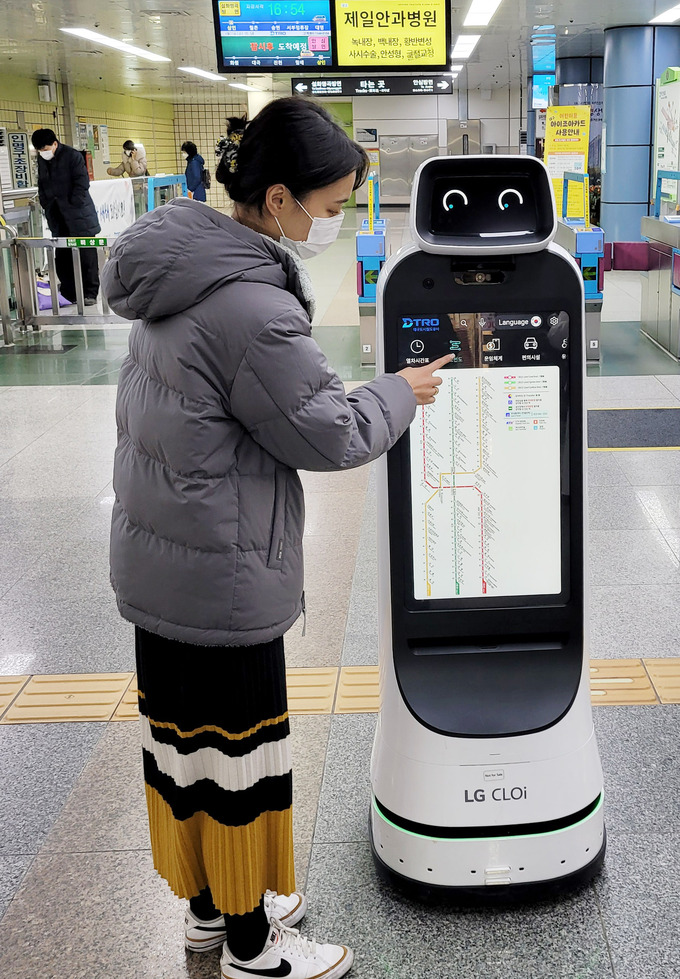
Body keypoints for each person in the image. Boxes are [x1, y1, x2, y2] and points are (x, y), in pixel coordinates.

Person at [101, 97, 449, 979]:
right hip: (221, 575)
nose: (335, 222)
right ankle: (255, 944)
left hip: (162, 563)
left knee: (187, 750)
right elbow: (328, 432)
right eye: (331, 207)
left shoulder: (180, 264)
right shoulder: (250, 305)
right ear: (282, 199)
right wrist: (401, 391)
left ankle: (209, 908)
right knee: (242, 758)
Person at [31, 128, 100, 306]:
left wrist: (73, 203)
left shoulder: (72, 156)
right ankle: (69, 292)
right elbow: (42, 183)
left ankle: (90, 292)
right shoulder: (42, 159)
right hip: (57, 216)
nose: (43, 153)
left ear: (55, 144)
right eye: (40, 150)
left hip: (79, 215)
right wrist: (46, 203)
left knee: (86, 255)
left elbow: (82, 182)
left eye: (45, 149)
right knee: (62, 256)